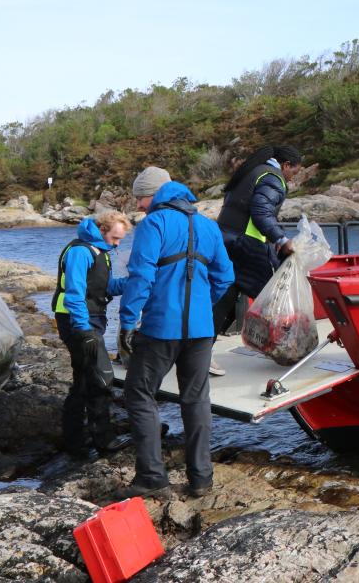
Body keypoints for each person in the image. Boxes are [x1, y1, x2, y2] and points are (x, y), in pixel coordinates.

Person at [118, 167, 234, 499]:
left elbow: (141, 276)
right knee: (196, 398)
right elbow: (225, 277)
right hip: (201, 330)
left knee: (139, 394)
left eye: (140, 197)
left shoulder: (153, 224)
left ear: (153, 194)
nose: (139, 205)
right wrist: (202, 305)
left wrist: (128, 321)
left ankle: (153, 478)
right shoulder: (209, 226)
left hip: (159, 328)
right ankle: (201, 479)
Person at [52, 210, 131, 458]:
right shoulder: (80, 251)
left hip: (91, 319)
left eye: (121, 239)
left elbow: (103, 287)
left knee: (85, 379)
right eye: (115, 238)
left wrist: (132, 282)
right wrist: (84, 329)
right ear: (102, 229)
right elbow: (75, 293)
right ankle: (103, 441)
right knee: (99, 379)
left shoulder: (100, 252)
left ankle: (74, 441)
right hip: (76, 321)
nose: (118, 243)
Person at [213, 145, 302, 355]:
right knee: (272, 296)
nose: (291, 178)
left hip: (226, 241)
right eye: (293, 173)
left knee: (227, 294)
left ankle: (201, 348)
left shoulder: (252, 171)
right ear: (286, 165)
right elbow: (261, 212)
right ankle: (284, 347)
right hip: (247, 245)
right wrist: (281, 239)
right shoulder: (273, 178)